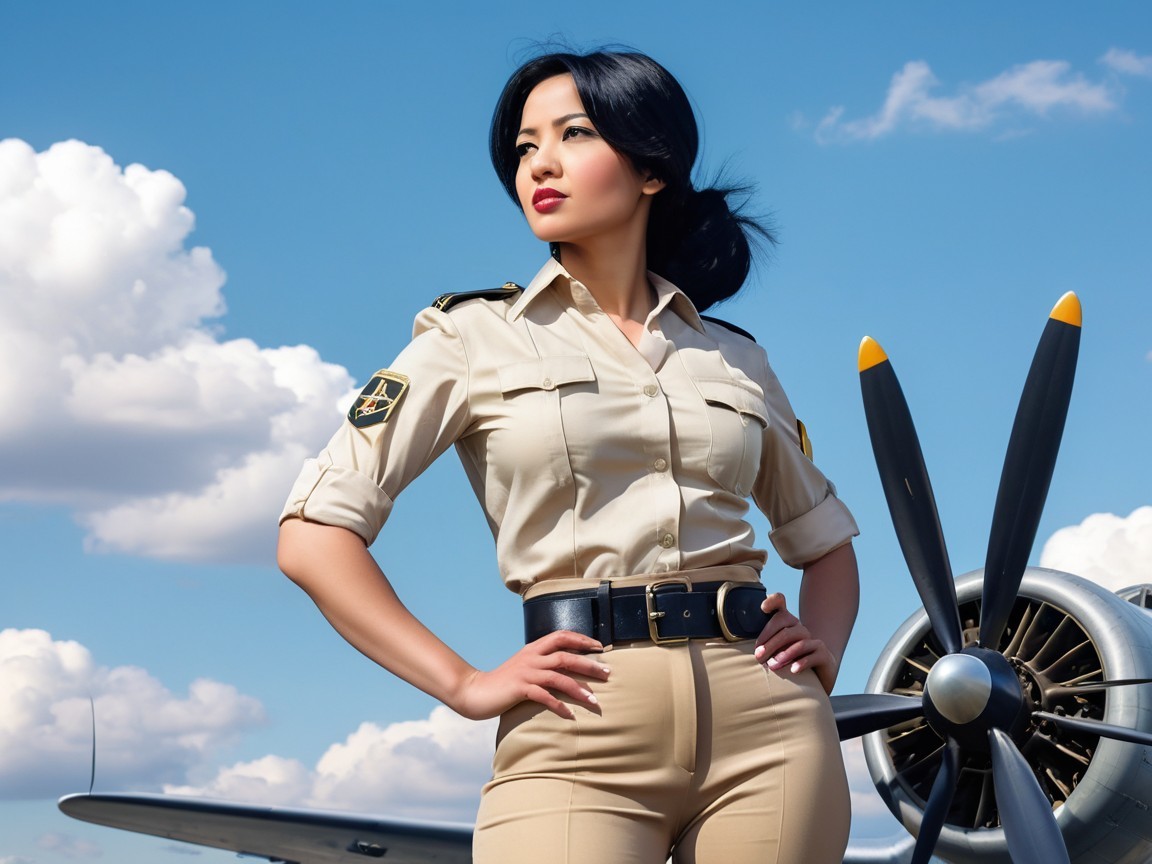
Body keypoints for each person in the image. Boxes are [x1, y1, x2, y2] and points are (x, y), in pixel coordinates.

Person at [278, 48, 860, 864]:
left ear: (651, 169)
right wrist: (465, 684)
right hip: (576, 725)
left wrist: (819, 661)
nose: (538, 165)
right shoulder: (468, 338)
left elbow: (824, 540)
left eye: (573, 135)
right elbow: (312, 536)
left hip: (769, 728)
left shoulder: (734, 356)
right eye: (523, 147)